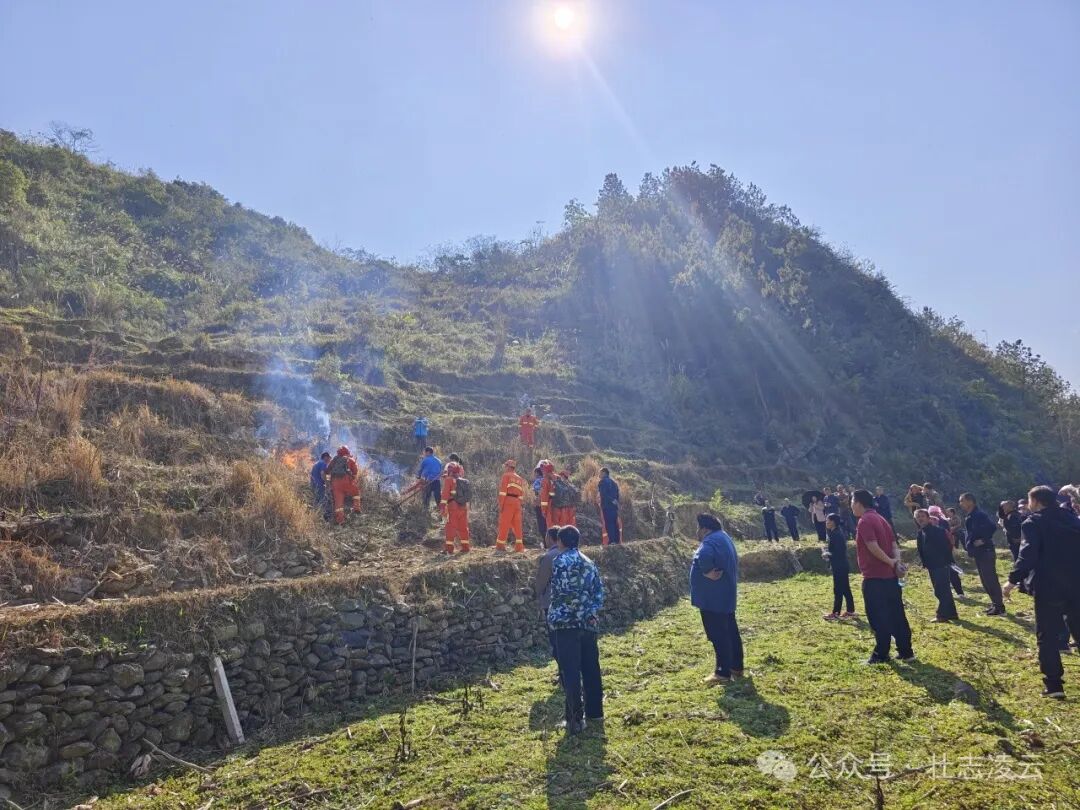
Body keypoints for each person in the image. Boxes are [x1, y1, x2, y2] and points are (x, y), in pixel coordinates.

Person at [1004, 485, 1080, 699]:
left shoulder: (1033, 522)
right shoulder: (1073, 519)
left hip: (1048, 587)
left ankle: (1054, 685)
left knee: (1046, 635)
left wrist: (1012, 580)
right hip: (1075, 583)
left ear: (1036, 501)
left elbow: (1028, 554)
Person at [547, 525, 605, 734]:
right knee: (591, 667)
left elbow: (560, 592)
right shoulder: (590, 562)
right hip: (588, 623)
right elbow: (599, 593)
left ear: (560, 542)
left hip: (566, 624)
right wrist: (588, 612)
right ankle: (595, 712)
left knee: (570, 671)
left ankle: (574, 719)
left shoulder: (560, 562)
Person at [852, 489, 913, 664]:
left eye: (852, 502)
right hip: (890, 578)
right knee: (896, 614)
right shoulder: (882, 519)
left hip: (875, 578)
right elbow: (894, 544)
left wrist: (892, 563)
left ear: (858, 503)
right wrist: (896, 562)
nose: (851, 507)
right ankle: (906, 651)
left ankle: (881, 653)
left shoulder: (865, 521)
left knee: (878, 616)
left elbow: (873, 547)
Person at [690, 514, 743, 684]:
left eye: (698, 528)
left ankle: (722, 672)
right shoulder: (724, 537)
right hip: (725, 594)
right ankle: (736, 666)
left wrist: (706, 571)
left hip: (712, 597)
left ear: (705, 529)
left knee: (718, 634)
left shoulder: (710, 541)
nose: (697, 532)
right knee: (730, 631)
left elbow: (704, 556)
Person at [960, 493, 1006, 616]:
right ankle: (995, 604)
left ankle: (1000, 607)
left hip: (985, 551)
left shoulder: (979, 514)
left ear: (970, 501)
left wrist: (983, 540)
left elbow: (992, 527)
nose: (961, 504)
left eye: (962, 501)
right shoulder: (970, 515)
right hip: (978, 552)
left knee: (990, 579)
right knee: (985, 579)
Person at [914, 509, 959, 622]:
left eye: (922, 516)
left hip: (941, 564)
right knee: (944, 589)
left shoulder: (938, 531)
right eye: (918, 517)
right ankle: (952, 614)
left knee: (940, 590)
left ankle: (942, 615)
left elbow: (946, 547)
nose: (920, 518)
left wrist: (945, 561)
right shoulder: (921, 533)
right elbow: (921, 550)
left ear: (929, 518)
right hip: (931, 565)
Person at [535, 526, 563, 680]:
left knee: (556, 638)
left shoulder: (549, 556)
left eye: (546, 537)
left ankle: (563, 671)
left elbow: (541, 581)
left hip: (551, 603)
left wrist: (536, 594)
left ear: (551, 538)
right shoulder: (573, 554)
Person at [822, 513, 856, 620]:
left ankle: (835, 613)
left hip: (839, 566)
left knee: (838, 589)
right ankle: (850, 611)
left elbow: (839, 552)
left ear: (833, 522)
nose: (826, 522)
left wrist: (827, 554)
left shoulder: (836, 534)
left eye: (828, 520)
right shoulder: (835, 532)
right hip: (841, 564)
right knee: (845, 588)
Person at [931, 505, 965, 597]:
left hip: (946, 552)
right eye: (931, 515)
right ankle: (942, 591)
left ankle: (960, 592)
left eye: (935, 514)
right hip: (935, 554)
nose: (933, 517)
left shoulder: (944, 523)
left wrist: (951, 547)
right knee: (938, 573)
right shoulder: (927, 526)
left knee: (952, 571)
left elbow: (949, 536)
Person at [496, 458, 527, 553]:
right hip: (517, 502)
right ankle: (519, 546)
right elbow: (521, 494)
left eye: (506, 466)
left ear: (508, 467)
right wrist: (519, 504)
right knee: (517, 525)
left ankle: (500, 546)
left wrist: (501, 505)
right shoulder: (519, 478)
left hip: (508, 501)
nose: (505, 468)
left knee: (504, 524)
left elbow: (502, 492)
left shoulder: (506, 476)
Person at [439, 462, 471, 554]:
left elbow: (445, 495)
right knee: (463, 527)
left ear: (450, 471)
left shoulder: (449, 480)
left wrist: (442, 507)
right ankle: (466, 548)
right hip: (463, 506)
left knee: (450, 527)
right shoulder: (464, 481)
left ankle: (449, 549)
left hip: (453, 506)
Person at [327, 446, 362, 525]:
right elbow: (355, 471)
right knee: (356, 492)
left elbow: (328, 470)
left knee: (338, 504)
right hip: (346, 481)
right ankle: (356, 508)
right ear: (347, 452)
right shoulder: (349, 459)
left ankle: (340, 521)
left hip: (335, 484)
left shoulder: (334, 460)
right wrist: (352, 478)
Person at [597, 467, 622, 545]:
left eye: (600, 473)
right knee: (615, 523)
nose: (599, 475)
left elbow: (603, 494)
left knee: (609, 523)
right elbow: (617, 494)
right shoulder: (614, 482)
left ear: (604, 473)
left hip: (607, 506)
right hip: (614, 506)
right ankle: (617, 540)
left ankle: (612, 541)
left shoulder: (602, 482)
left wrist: (610, 500)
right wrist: (615, 501)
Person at [310, 451, 331, 518]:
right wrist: (327, 483)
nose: (329, 460)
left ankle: (315, 516)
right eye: (329, 458)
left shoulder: (316, 463)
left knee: (317, 500)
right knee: (323, 500)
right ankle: (323, 516)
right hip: (319, 485)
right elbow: (322, 474)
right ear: (326, 457)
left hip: (313, 485)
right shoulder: (323, 463)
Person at [532, 466, 548, 541]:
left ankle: (545, 542)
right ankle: (549, 541)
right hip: (548, 505)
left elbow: (537, 491)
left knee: (541, 522)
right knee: (547, 522)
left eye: (535, 473)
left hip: (539, 504)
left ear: (537, 473)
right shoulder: (547, 480)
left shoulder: (537, 481)